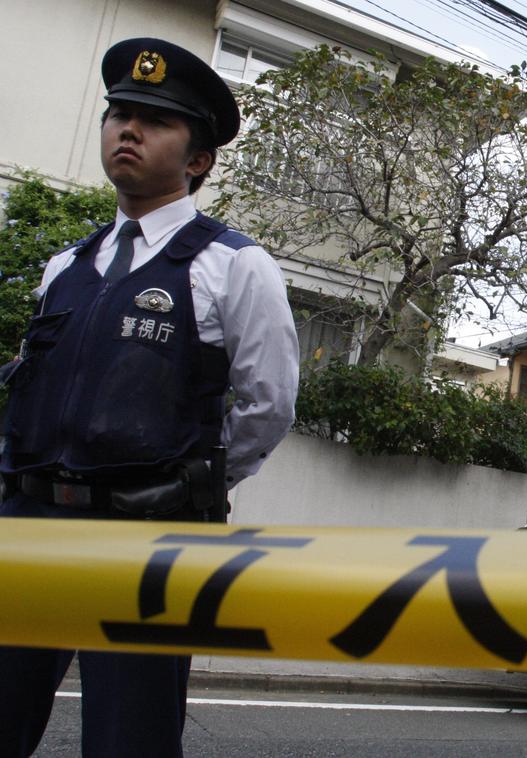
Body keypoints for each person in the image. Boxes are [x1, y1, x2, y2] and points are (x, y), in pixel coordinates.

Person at [0, 37, 299, 757]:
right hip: (29, 524)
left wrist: (188, 483)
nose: (126, 130)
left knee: (127, 738)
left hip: (151, 537)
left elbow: (270, 404)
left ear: (198, 160)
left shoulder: (234, 266)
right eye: (119, 114)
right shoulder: (65, 266)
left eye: (153, 121)